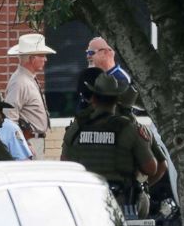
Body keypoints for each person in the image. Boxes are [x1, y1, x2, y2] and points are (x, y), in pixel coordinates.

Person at [61, 73, 157, 211]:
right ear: (117, 100)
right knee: (143, 199)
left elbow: (65, 164)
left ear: (93, 99)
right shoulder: (128, 128)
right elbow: (151, 168)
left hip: (84, 200)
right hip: (121, 203)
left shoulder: (77, 127)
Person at [117, 86, 168, 217]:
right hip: (133, 199)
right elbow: (160, 167)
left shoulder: (91, 127)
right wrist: (142, 187)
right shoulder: (141, 130)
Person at [5, 33, 55, 158]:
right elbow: (9, 117)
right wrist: (24, 143)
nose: (45, 59)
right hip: (29, 142)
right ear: (32, 58)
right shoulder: (19, 82)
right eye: (42, 56)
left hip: (34, 141)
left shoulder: (27, 78)